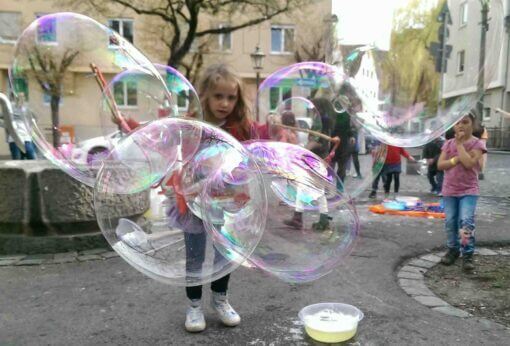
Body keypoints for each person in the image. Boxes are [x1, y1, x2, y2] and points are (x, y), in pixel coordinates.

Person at [180, 63, 257, 332]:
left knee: (226, 253)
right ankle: (193, 306)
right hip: (195, 203)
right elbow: (184, 161)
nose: (224, 103)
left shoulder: (241, 128)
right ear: (206, 95)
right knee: (195, 256)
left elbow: (247, 163)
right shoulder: (192, 126)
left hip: (225, 201)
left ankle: (220, 299)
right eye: (218, 96)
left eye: (231, 97)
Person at [437, 112, 486, 272]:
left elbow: (469, 163)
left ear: (473, 125)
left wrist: (459, 146)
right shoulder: (448, 143)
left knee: (466, 221)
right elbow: (440, 165)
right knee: (450, 222)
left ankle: (467, 254)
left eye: (465, 122)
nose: (461, 125)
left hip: (468, 190)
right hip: (450, 190)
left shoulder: (478, 144)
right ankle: (453, 250)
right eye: (457, 123)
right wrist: (454, 159)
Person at [5, 93, 36, 160]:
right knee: (17, 160)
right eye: (19, 97)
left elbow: (34, 118)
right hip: (14, 139)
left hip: (26, 138)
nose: (21, 99)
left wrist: (31, 126)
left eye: (23, 97)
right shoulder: (10, 107)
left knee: (32, 157)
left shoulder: (26, 109)